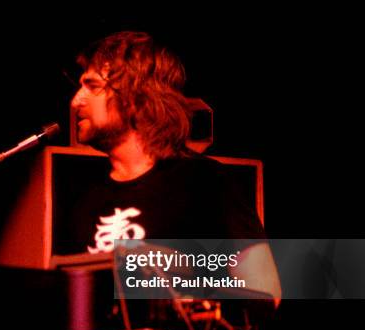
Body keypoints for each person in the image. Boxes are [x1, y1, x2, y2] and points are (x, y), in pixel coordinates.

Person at [64, 31, 281, 302]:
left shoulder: (207, 183)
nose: (76, 100)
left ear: (134, 95)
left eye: (92, 86)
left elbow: (265, 293)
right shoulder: (84, 198)